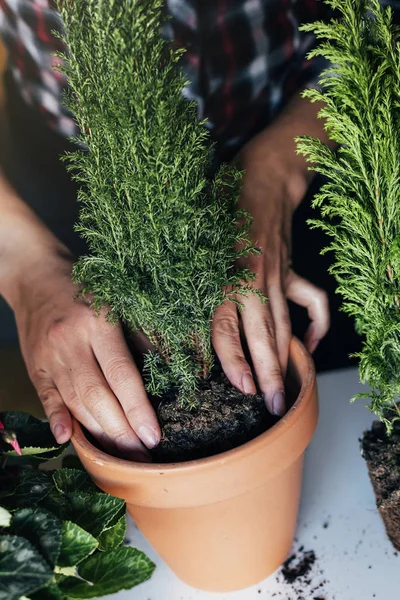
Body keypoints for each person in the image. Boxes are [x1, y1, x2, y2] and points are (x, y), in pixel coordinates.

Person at [0, 0, 358, 461]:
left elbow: (378, 23)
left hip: (303, 131)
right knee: (113, 384)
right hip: (81, 171)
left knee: (329, 386)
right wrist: (22, 265)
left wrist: (278, 171)